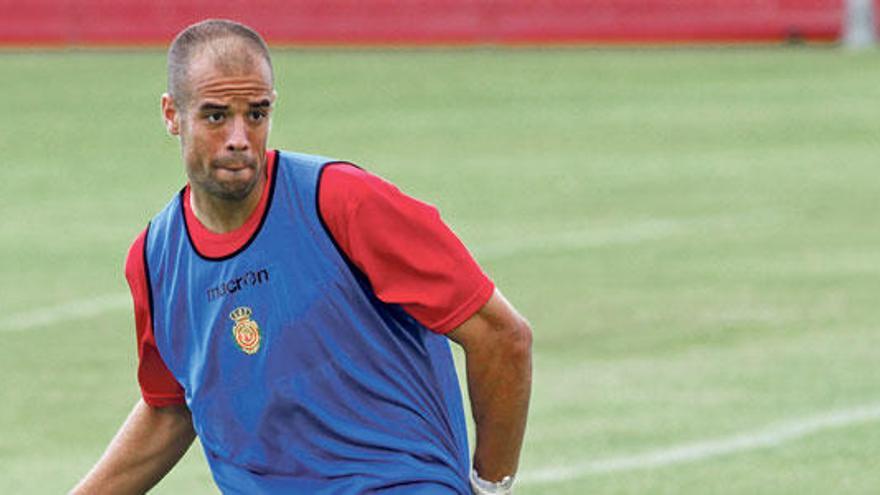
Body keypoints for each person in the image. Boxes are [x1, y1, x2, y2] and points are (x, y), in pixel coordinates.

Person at [72, 19, 531, 495]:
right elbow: (171, 408)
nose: (239, 137)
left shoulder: (344, 202)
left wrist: (489, 486)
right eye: (215, 116)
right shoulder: (154, 259)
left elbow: (502, 337)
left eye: (256, 113)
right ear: (172, 114)